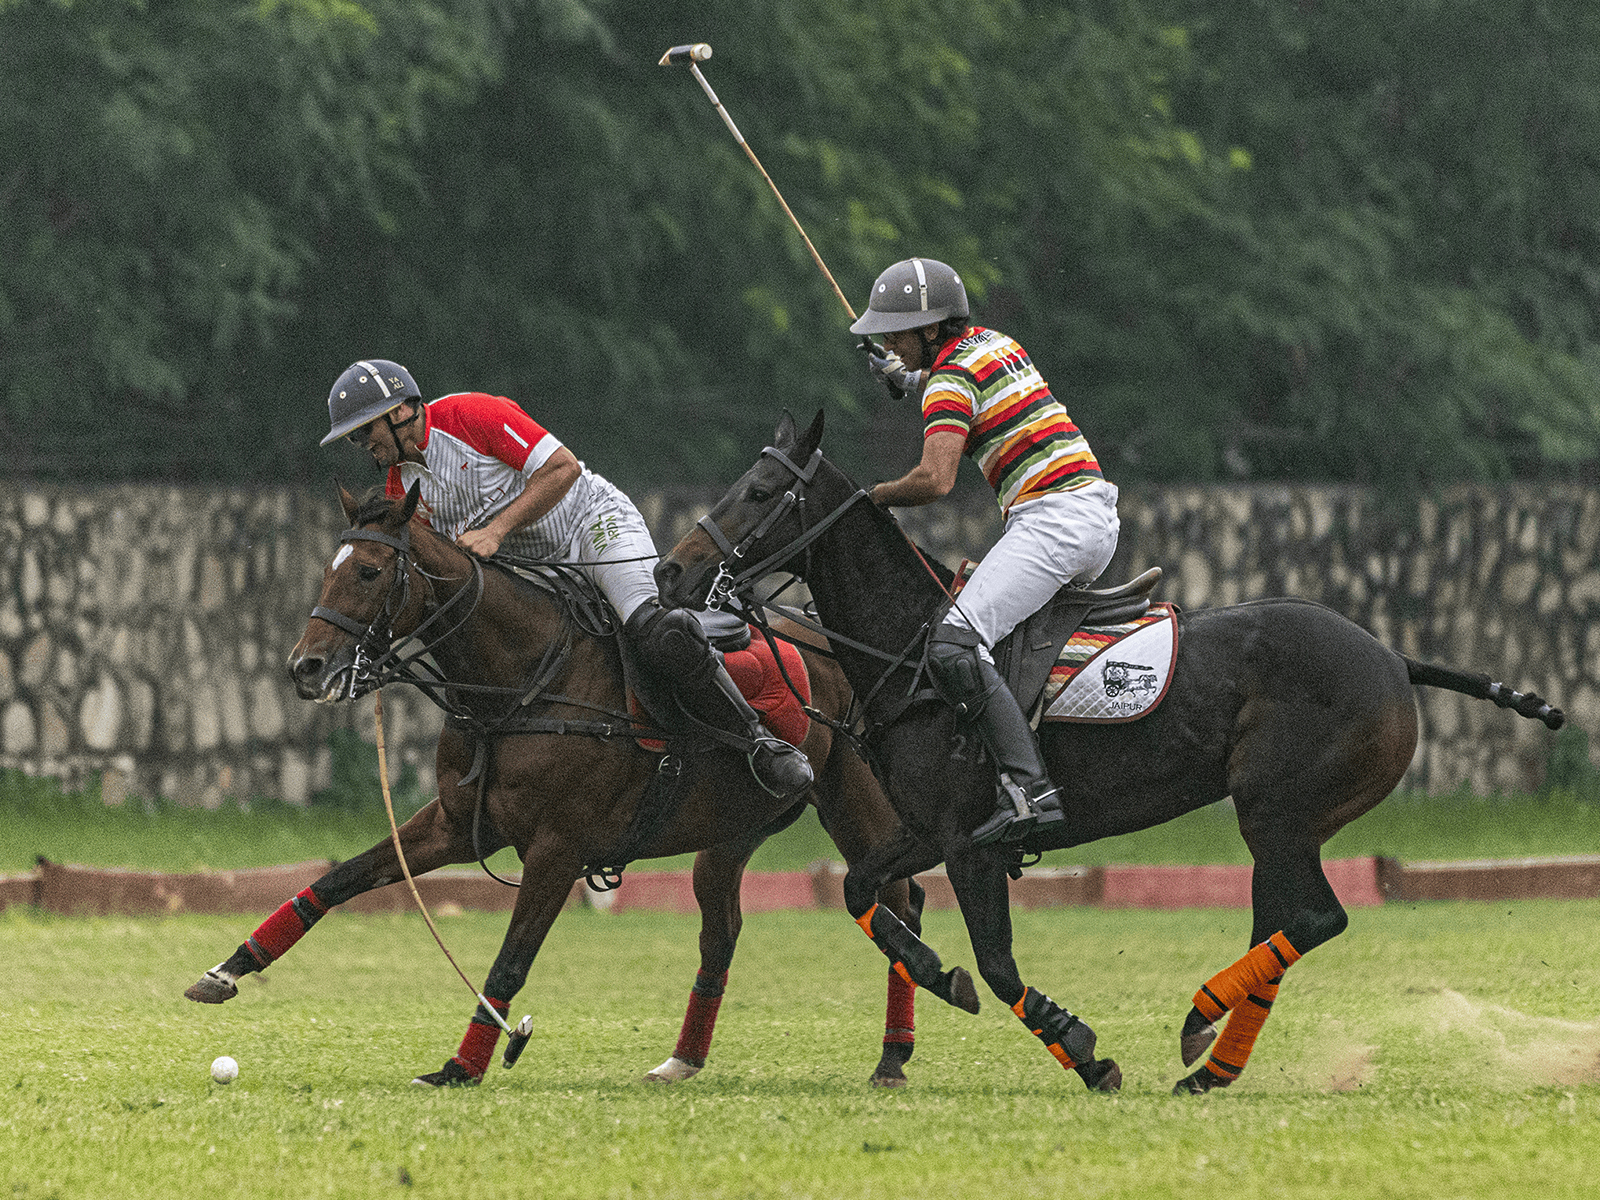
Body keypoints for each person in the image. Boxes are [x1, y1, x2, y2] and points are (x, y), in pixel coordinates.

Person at [320, 359, 813, 798]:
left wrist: (496, 531)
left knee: (647, 626)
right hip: (539, 570)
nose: (362, 445)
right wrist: (371, 647)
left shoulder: (470, 415)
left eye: (364, 432)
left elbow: (562, 469)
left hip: (591, 524)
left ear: (401, 411)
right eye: (354, 438)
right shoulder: (398, 488)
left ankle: (759, 741)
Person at [849, 259, 1120, 846]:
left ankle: (1031, 790)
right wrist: (908, 378)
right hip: (1089, 511)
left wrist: (873, 498)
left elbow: (935, 479)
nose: (889, 340)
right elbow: (959, 382)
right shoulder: (993, 344)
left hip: (1053, 520)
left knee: (953, 642)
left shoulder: (948, 381)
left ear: (930, 328)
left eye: (897, 331)